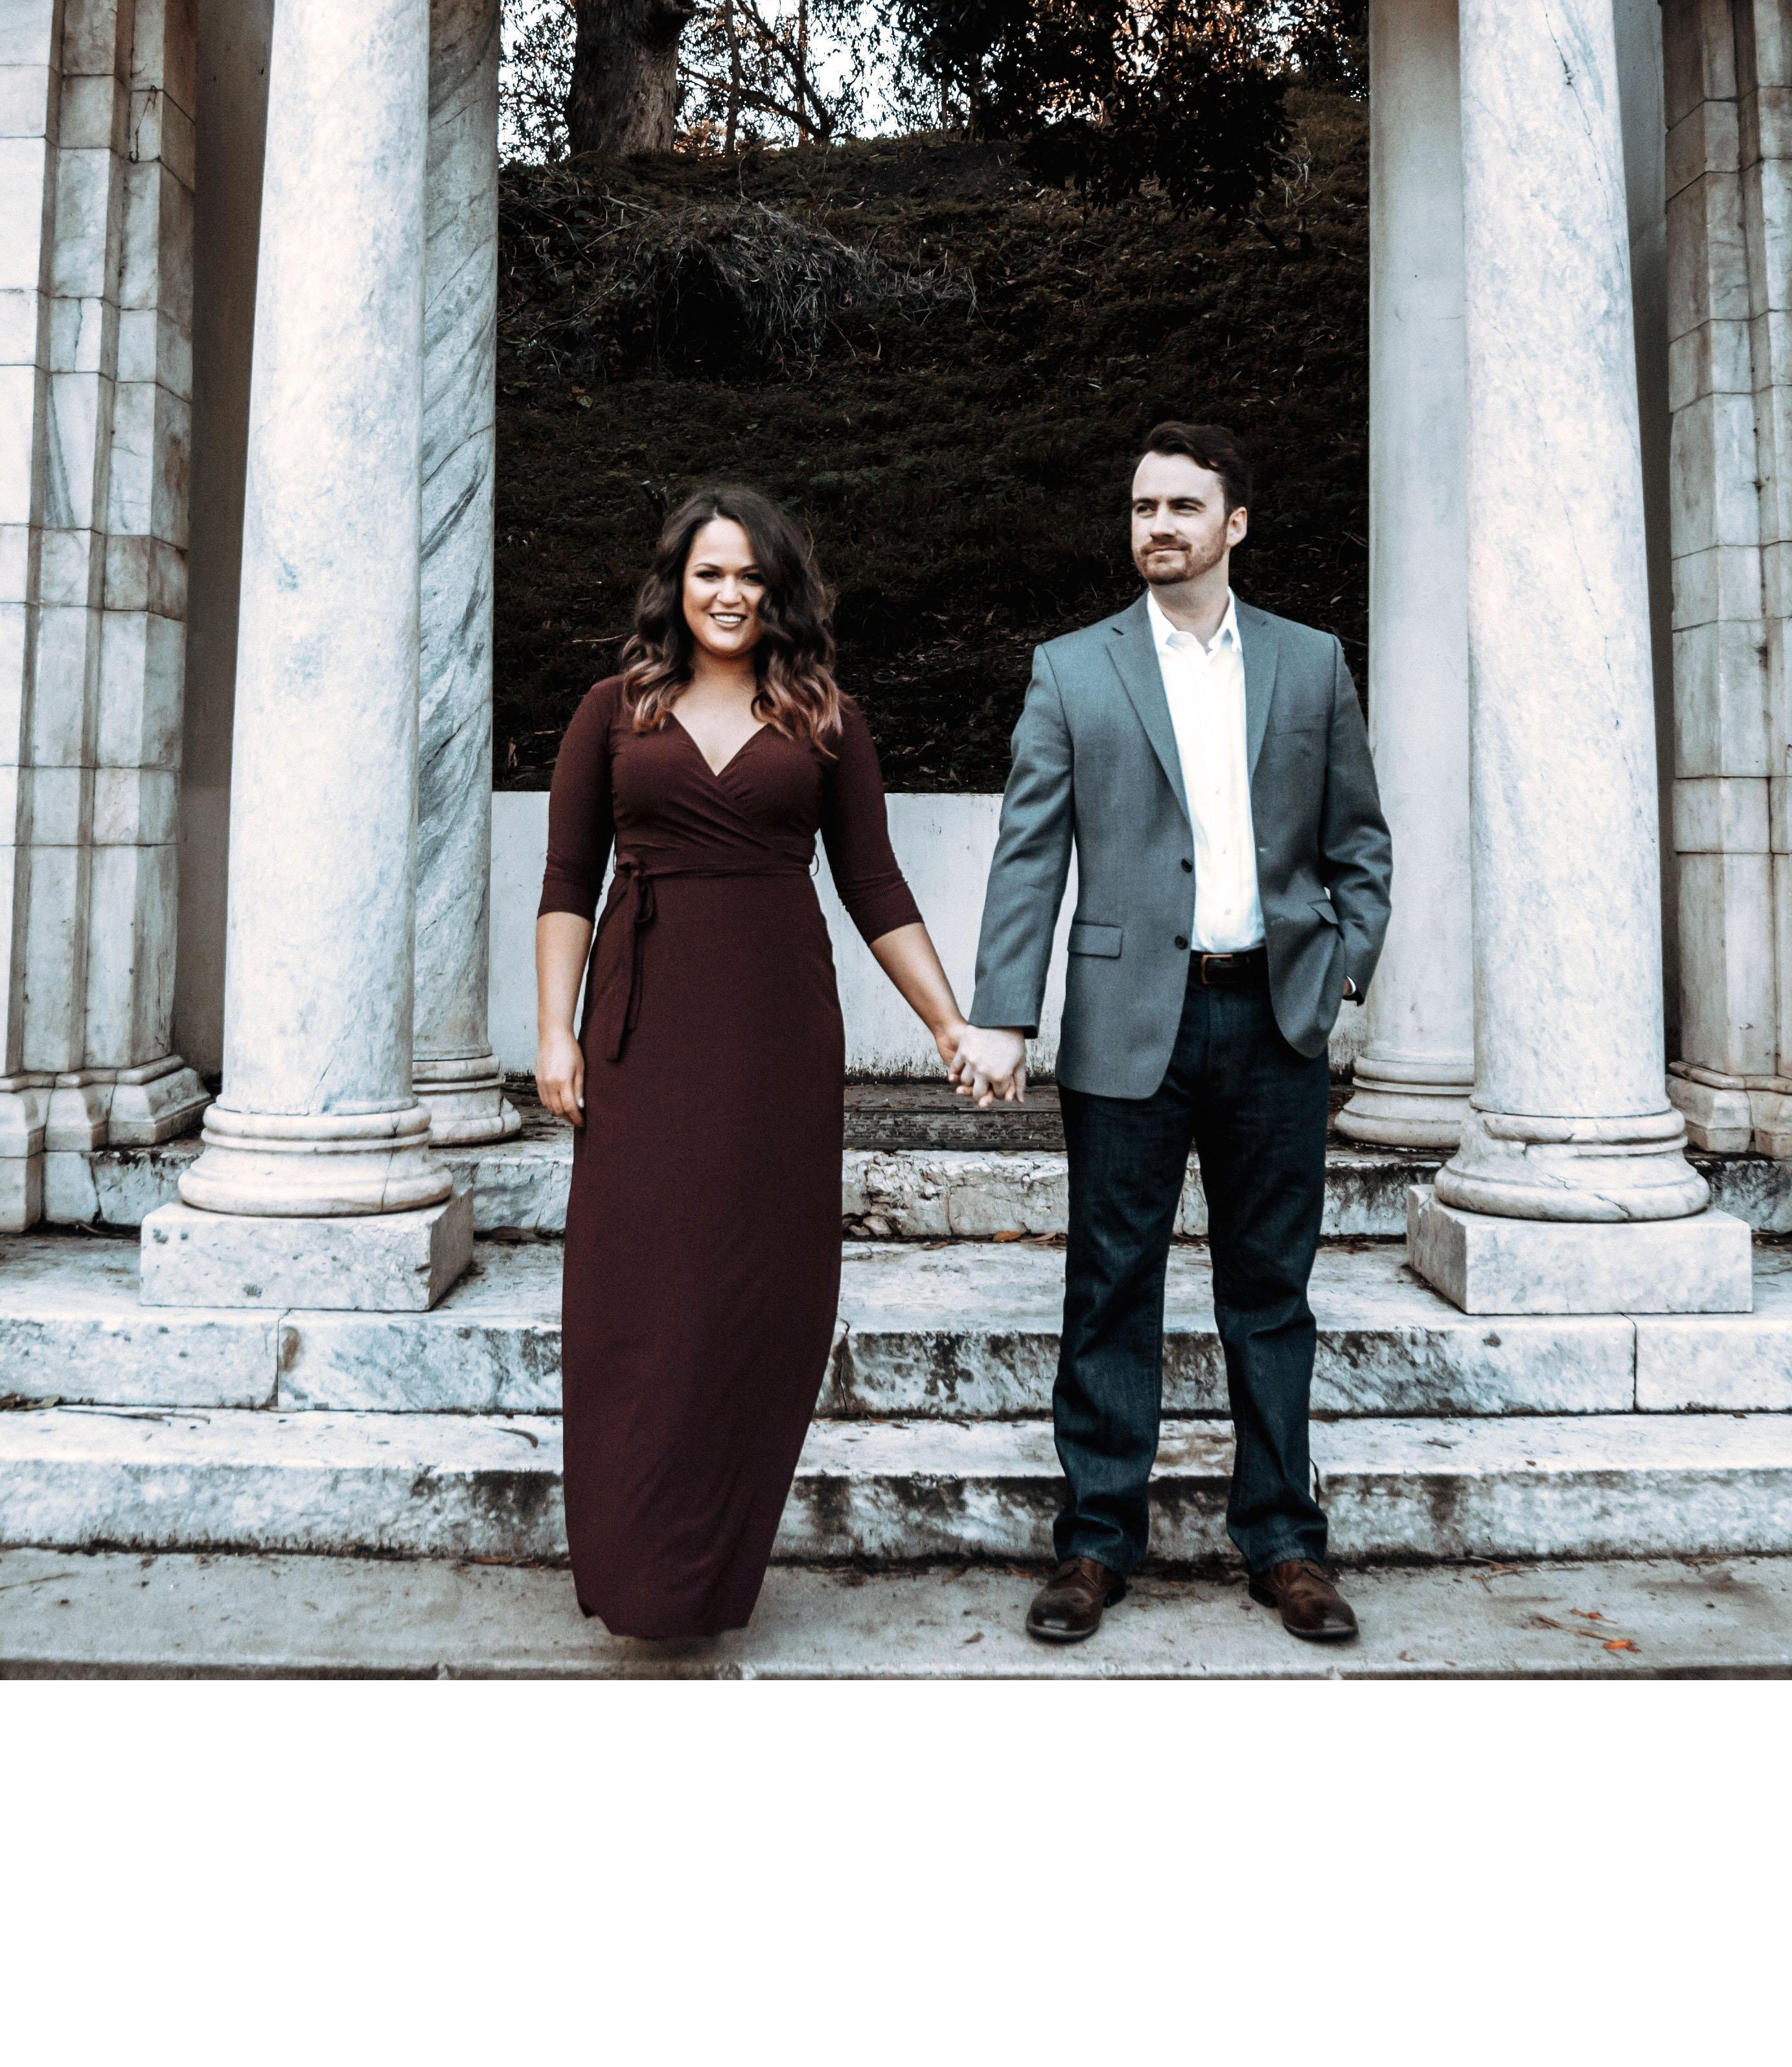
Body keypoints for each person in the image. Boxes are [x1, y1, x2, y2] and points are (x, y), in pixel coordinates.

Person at [955, 424, 1392, 1647]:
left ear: (1233, 524)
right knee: (1110, 1284)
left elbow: (1359, 839)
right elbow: (1029, 854)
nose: (1158, 526)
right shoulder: (1071, 671)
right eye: (1144, 506)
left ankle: (1285, 1542)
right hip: (1126, 1021)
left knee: (1271, 1290)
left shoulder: (1310, 663)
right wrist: (1003, 1013)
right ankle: (1095, 1543)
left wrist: (1340, 967)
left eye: (1183, 507)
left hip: (1274, 1017)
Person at [535, 483, 975, 1643]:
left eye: (750, 575)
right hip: (644, 1029)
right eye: (710, 573)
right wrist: (554, 1030)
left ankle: (707, 1571)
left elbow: (874, 885)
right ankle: (634, 1564)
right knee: (638, 1290)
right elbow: (568, 882)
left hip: (777, 1032)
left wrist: (946, 1022)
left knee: (752, 1293)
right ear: (676, 586)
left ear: (781, 590)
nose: (730, 594)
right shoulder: (612, 710)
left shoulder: (826, 716)